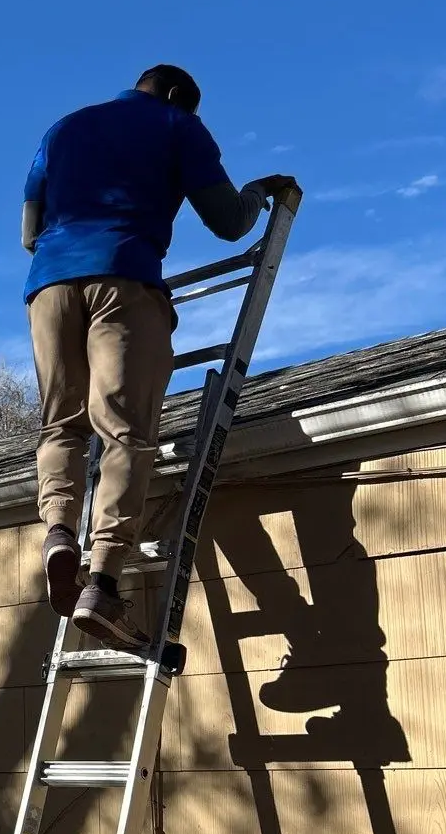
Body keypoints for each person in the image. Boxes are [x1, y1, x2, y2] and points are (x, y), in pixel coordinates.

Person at [22, 64, 291, 651]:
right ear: (176, 96)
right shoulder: (178, 124)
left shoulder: (62, 129)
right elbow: (227, 223)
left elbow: (29, 229)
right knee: (125, 430)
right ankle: (104, 581)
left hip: (47, 288)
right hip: (124, 278)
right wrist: (258, 193)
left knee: (61, 423)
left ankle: (60, 534)